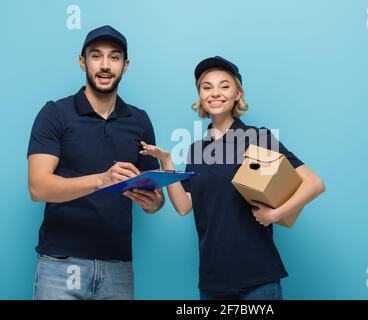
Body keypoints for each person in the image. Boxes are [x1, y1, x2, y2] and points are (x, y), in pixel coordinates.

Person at [140, 56, 325, 300]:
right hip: (212, 281)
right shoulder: (197, 149)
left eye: (224, 86)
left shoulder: (257, 138)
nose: (215, 93)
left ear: (238, 93)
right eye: (207, 87)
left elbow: (314, 183)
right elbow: (184, 206)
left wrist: (274, 215)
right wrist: (167, 163)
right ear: (201, 97)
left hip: (257, 278)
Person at [27, 25, 164, 300]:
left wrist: (154, 202)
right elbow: (38, 187)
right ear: (82, 62)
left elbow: (155, 194)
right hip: (60, 263)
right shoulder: (55, 113)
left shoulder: (139, 121)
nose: (104, 65)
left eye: (114, 57)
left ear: (125, 66)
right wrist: (101, 180)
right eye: (96, 56)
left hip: (118, 265)